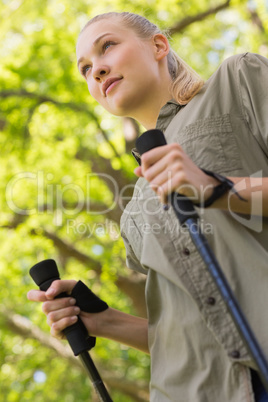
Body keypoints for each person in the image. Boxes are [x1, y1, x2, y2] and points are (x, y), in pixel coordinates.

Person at [27, 11, 268, 402]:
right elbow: (185, 343)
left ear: (159, 46)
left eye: (107, 47)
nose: (97, 71)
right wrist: (102, 320)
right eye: (85, 69)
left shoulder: (237, 81)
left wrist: (214, 187)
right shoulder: (135, 209)